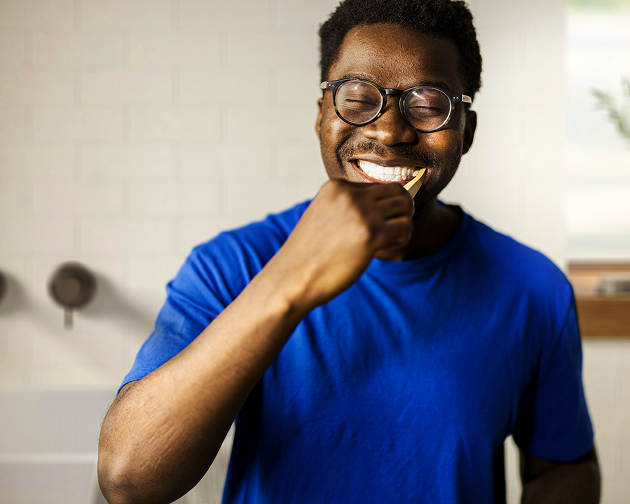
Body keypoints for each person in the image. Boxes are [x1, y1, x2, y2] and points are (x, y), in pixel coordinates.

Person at [98, 0, 601, 503]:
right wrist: (291, 279)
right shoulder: (229, 266)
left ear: (466, 132)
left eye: (428, 105)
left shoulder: (532, 288)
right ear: (321, 116)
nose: (389, 131)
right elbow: (129, 479)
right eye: (358, 98)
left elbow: (564, 469)